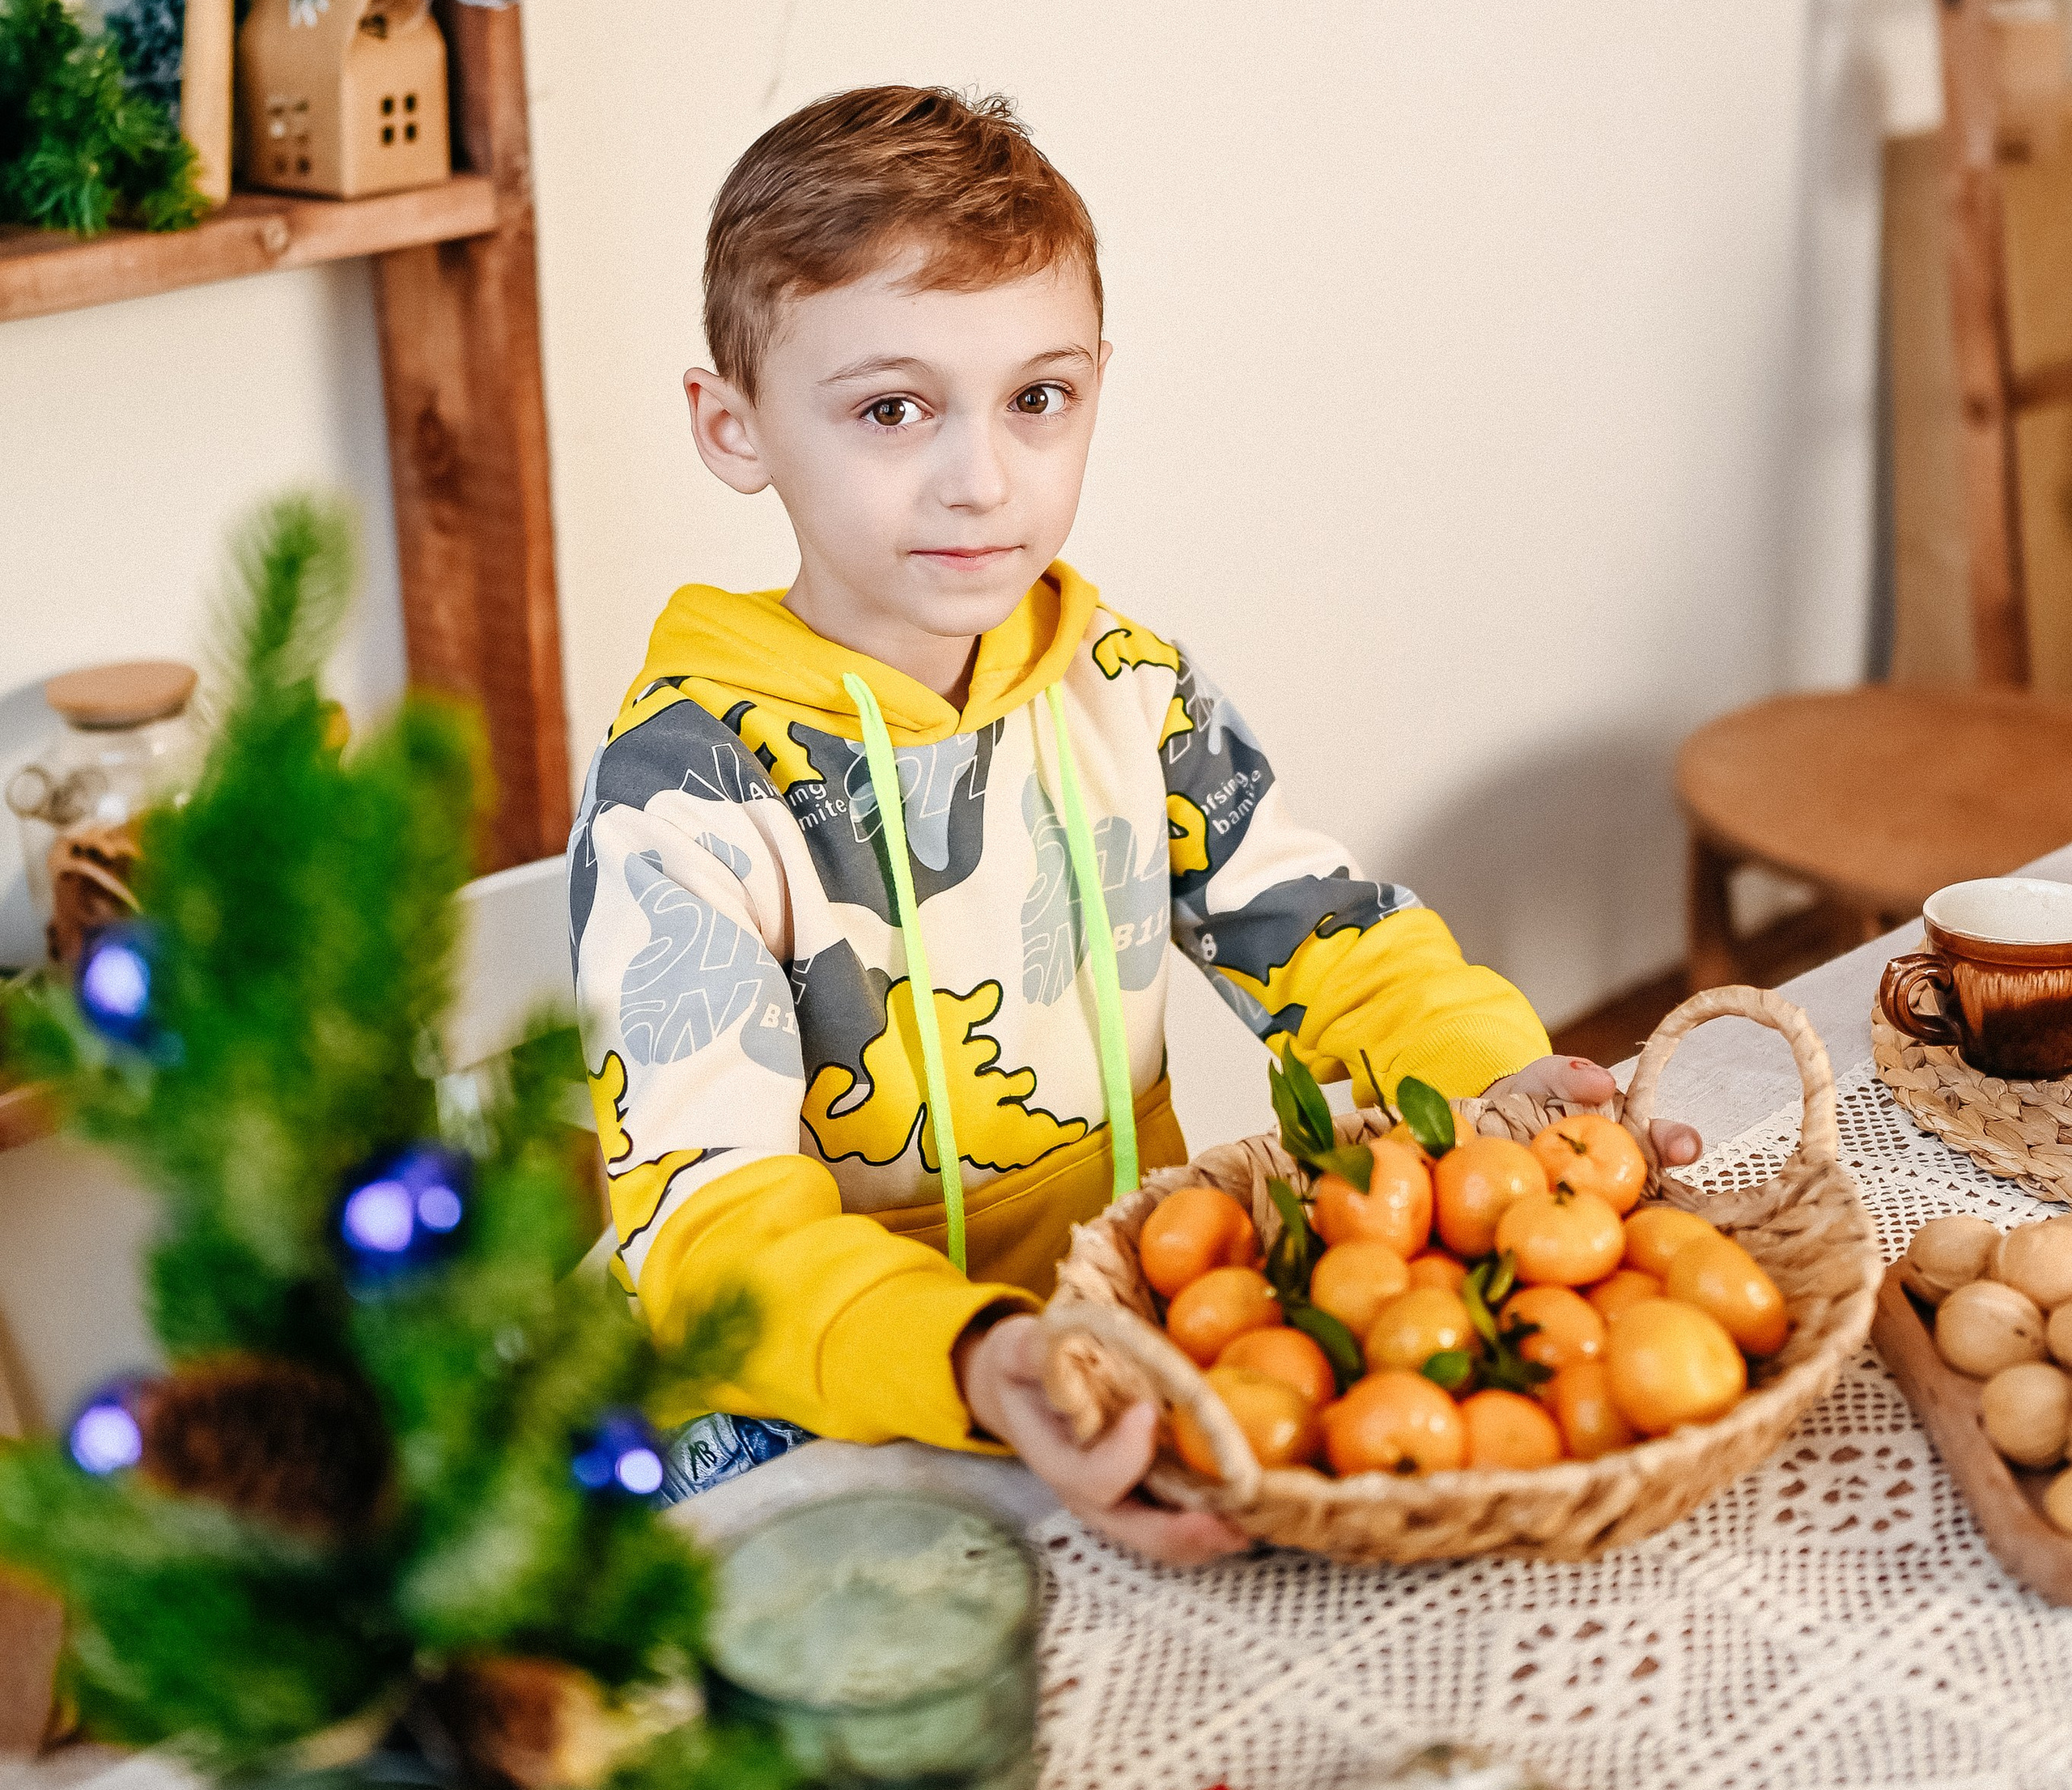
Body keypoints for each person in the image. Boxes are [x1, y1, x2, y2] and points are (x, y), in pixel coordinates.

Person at [567, 85, 1699, 1562]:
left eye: (1039, 398)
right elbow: (712, 1227)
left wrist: (1500, 1091)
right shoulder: (687, 793)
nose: (983, 478)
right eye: (892, 409)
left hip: (1120, 1345)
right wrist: (978, 1361)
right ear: (735, 427)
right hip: (793, 1421)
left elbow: (1341, 953)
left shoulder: (1127, 689)